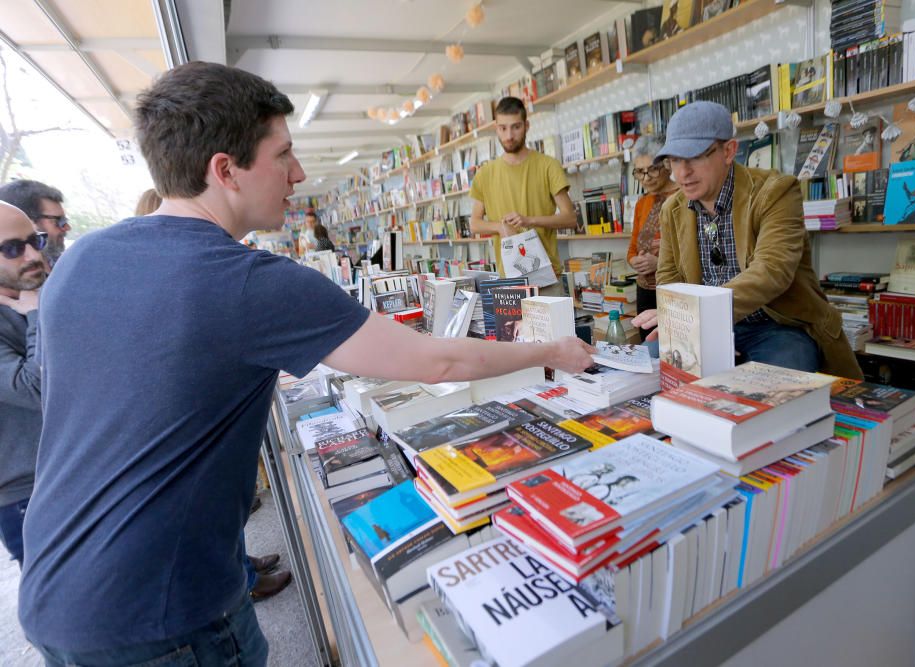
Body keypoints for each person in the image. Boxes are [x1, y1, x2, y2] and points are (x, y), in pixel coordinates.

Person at [19, 61, 594, 666]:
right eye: (283, 155)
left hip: (55, 585)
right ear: (225, 170)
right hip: (163, 611)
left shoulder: (81, 261)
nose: (299, 174)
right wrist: (553, 349)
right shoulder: (248, 281)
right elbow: (439, 359)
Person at [132, 187, 289, 599]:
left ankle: (242, 565)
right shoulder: (204, 278)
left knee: (218, 506)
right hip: (184, 458)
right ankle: (244, 579)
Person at [632, 101, 862, 379]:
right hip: (703, 325)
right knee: (646, 369)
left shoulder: (776, 191)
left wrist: (704, 315)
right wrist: (678, 323)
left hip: (776, 326)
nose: (682, 173)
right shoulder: (674, 208)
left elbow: (772, 272)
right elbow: (669, 277)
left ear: (729, 151)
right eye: (675, 161)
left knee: (780, 385)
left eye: (694, 157)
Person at [470, 96, 577, 294]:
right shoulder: (485, 173)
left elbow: (570, 218)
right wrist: (501, 228)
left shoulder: (548, 165)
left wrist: (528, 220)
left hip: (547, 278)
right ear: (496, 128)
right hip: (508, 280)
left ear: (527, 125)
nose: (509, 135)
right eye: (503, 128)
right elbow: (474, 223)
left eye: (516, 127)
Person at [0, 202, 47, 569]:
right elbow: (36, 389)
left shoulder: (39, 291)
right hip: (27, 495)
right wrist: (34, 313)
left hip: (74, 471)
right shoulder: (33, 303)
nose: (32, 254)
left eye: (35, 240)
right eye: (13, 248)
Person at [626, 134, 679, 312]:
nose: (646, 178)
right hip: (645, 292)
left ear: (667, 165)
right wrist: (635, 261)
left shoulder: (684, 197)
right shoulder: (642, 203)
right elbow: (632, 249)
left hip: (676, 291)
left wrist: (659, 263)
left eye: (652, 170)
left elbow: (695, 251)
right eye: (640, 171)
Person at [0, 179, 71, 267]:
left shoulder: (62, 267)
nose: (67, 227)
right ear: (27, 221)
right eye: (59, 221)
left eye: (65, 220)